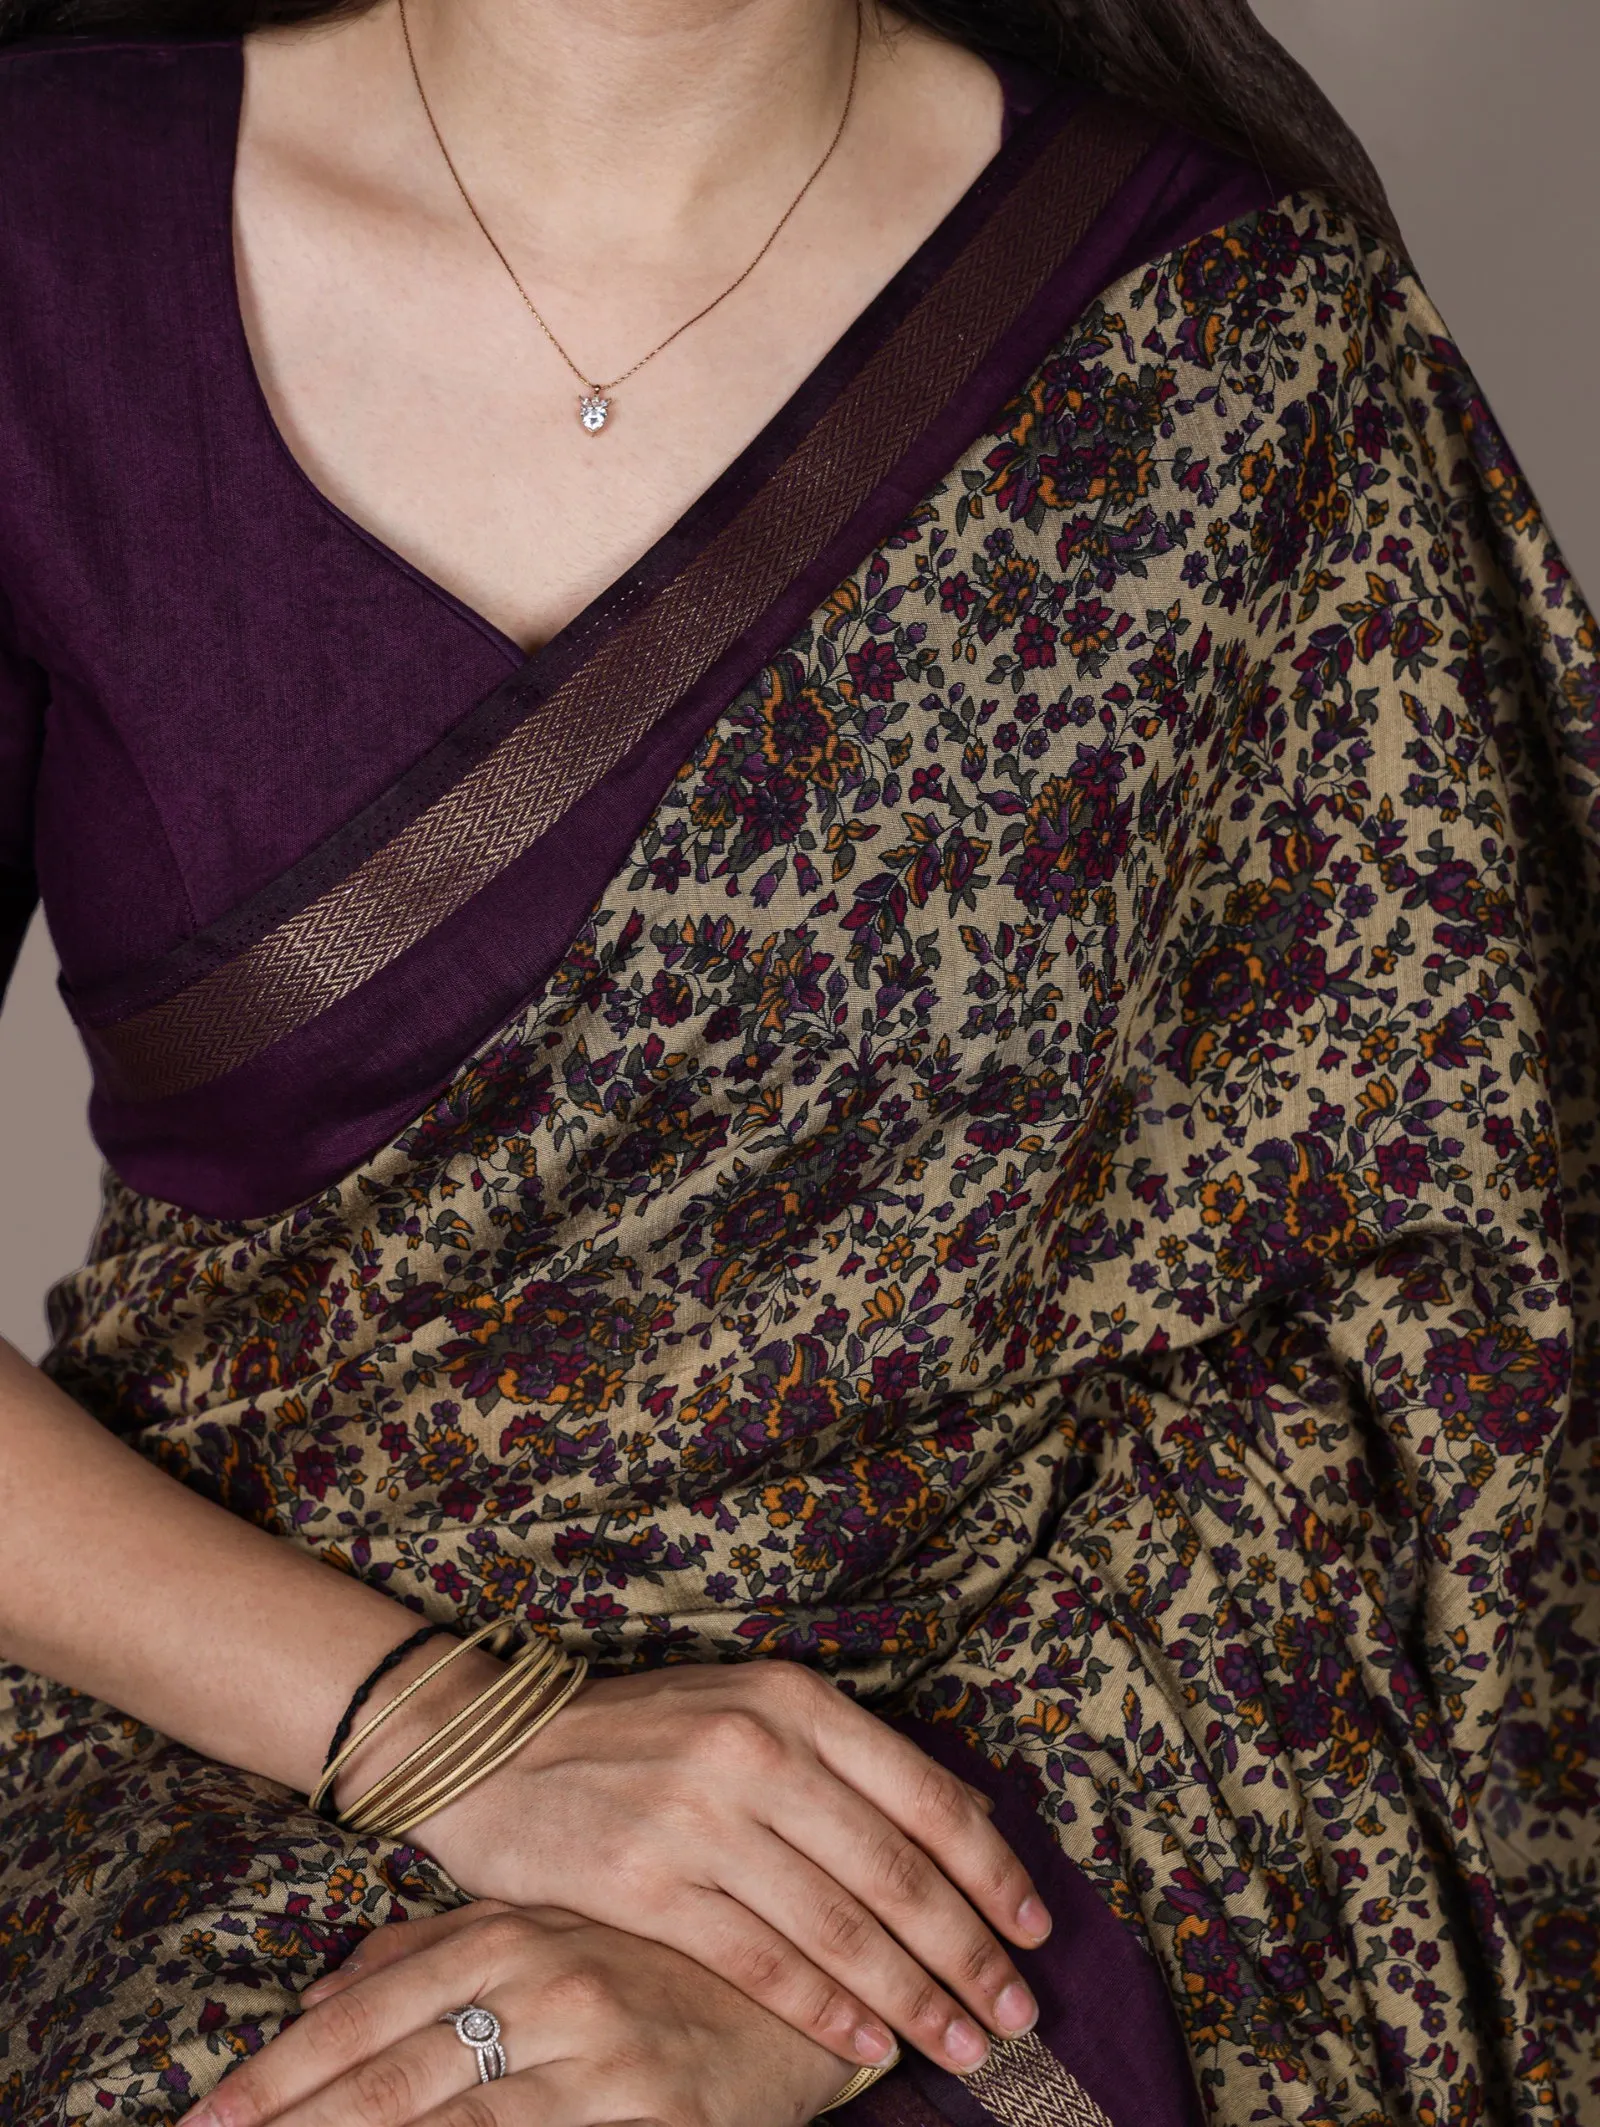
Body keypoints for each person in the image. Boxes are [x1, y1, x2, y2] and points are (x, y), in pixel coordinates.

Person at [0, 0, 1592, 2119]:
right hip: (216, 1699)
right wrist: (455, 1734)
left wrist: (825, 1969)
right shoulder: (44, 237)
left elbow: (1450, 1361)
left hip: (1022, 1784)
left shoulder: (1230, 343)